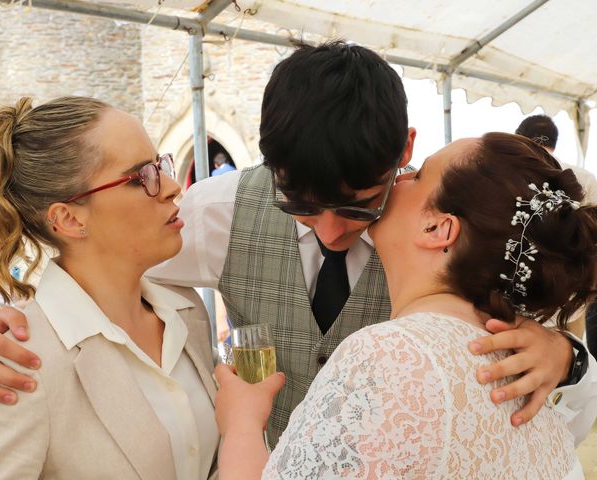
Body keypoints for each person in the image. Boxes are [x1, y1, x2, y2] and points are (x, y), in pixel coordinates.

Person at [0, 42, 594, 448]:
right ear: (271, 169)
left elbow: (547, 370)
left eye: (357, 205)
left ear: (404, 149)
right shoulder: (214, 213)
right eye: (299, 207)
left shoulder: (457, 230)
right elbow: (69, 249)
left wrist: (567, 355)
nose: (329, 230)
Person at [214, 133, 597, 479]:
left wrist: (242, 425)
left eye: (419, 176)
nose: (399, 178)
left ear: (437, 229)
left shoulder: (387, 356)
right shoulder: (520, 367)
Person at [0, 96, 219, 479]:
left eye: (160, 165)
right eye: (141, 176)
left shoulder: (185, 309)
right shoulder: (17, 361)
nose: (171, 186)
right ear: (68, 218)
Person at [516, 114, 597, 341]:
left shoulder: (510, 176)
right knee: (574, 361)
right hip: (572, 295)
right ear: (555, 142)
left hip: (522, 296)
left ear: (518, 137)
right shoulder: (584, 177)